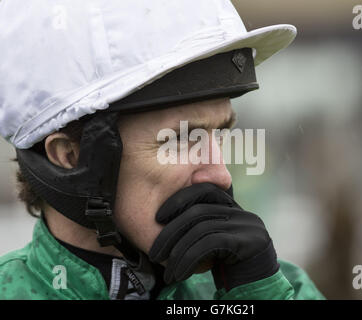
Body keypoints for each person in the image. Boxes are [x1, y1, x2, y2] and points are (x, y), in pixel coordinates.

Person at [0, 0, 324, 300]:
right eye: (180, 140)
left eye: (221, 132)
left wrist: (257, 294)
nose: (221, 175)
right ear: (71, 156)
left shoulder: (278, 285)